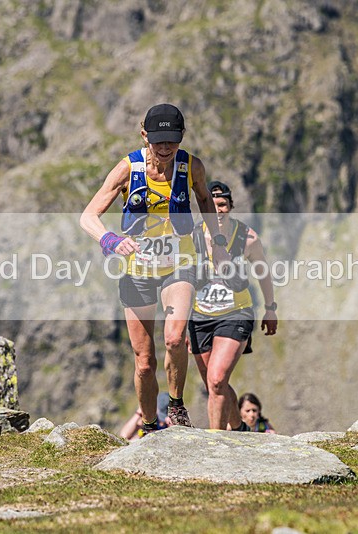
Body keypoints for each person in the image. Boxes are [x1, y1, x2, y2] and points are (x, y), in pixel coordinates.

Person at [80, 103, 230, 436]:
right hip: (138, 270)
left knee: (175, 338)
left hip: (180, 264)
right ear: (144, 134)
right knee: (144, 361)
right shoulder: (127, 169)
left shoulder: (192, 166)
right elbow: (88, 216)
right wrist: (110, 240)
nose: (164, 149)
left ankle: (175, 404)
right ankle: (149, 425)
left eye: (172, 142)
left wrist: (216, 243)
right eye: (158, 141)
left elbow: (204, 200)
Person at [188, 180, 278, 431]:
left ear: (230, 206)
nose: (218, 210)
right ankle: (239, 429)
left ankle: (215, 441)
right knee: (213, 384)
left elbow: (264, 273)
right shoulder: (192, 237)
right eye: (212, 205)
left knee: (217, 380)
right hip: (200, 317)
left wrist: (270, 308)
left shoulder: (247, 238)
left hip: (236, 314)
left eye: (223, 205)